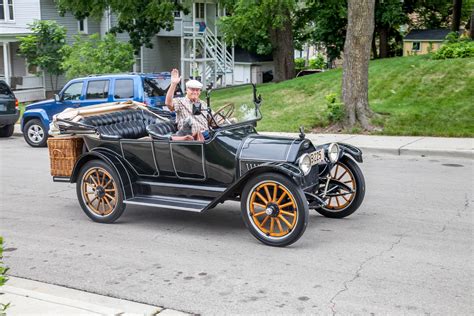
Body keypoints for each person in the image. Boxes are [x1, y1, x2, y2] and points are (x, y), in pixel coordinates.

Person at [165, 69, 208, 141]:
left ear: (200, 92)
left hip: (206, 134)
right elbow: (168, 103)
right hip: (191, 137)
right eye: (192, 90)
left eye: (197, 90)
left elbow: (214, 119)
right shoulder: (181, 102)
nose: (195, 92)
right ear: (186, 90)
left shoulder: (203, 104)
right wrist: (173, 84)